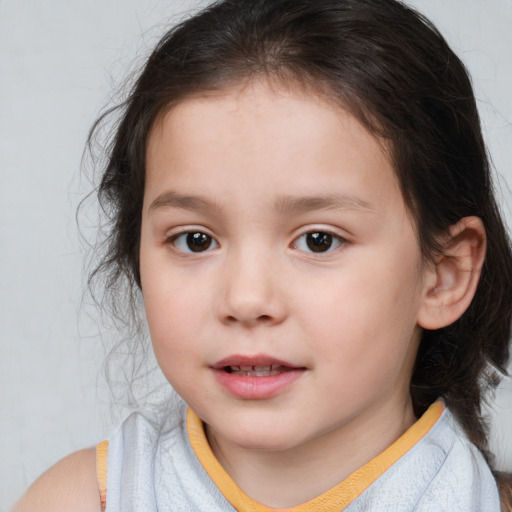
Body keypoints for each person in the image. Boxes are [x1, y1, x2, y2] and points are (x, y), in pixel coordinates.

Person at [14, 0, 512, 510]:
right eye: (195, 240)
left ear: (443, 276)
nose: (246, 299)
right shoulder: (85, 499)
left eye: (319, 240)